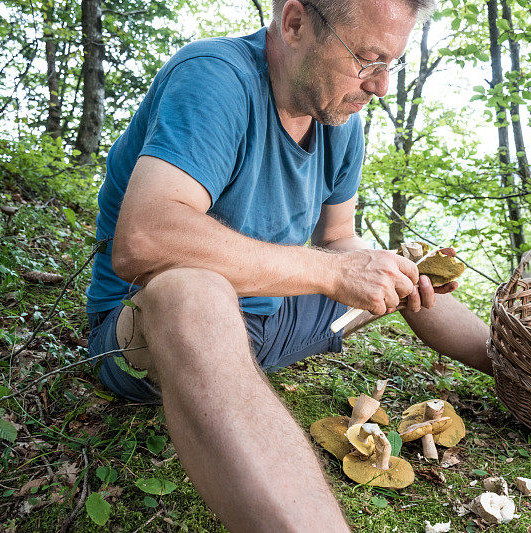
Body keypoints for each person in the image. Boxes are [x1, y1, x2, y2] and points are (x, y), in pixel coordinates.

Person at [85, 0, 491, 530]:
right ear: (296, 22)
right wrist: (333, 273)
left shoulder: (338, 116)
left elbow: (338, 239)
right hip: (153, 334)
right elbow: (144, 238)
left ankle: (517, 368)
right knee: (192, 290)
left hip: (270, 324)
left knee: (400, 266)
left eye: (391, 63)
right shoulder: (215, 78)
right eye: (367, 59)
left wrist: (378, 267)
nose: (381, 86)